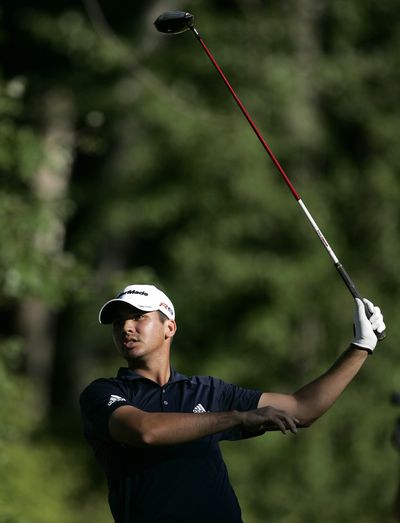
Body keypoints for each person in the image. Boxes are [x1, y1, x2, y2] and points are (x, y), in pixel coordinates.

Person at [80, 284, 385, 523]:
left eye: (138, 317)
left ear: (169, 327)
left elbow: (303, 408)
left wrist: (360, 348)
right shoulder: (103, 392)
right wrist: (238, 418)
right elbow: (145, 430)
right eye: (118, 322)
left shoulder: (208, 391)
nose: (126, 328)